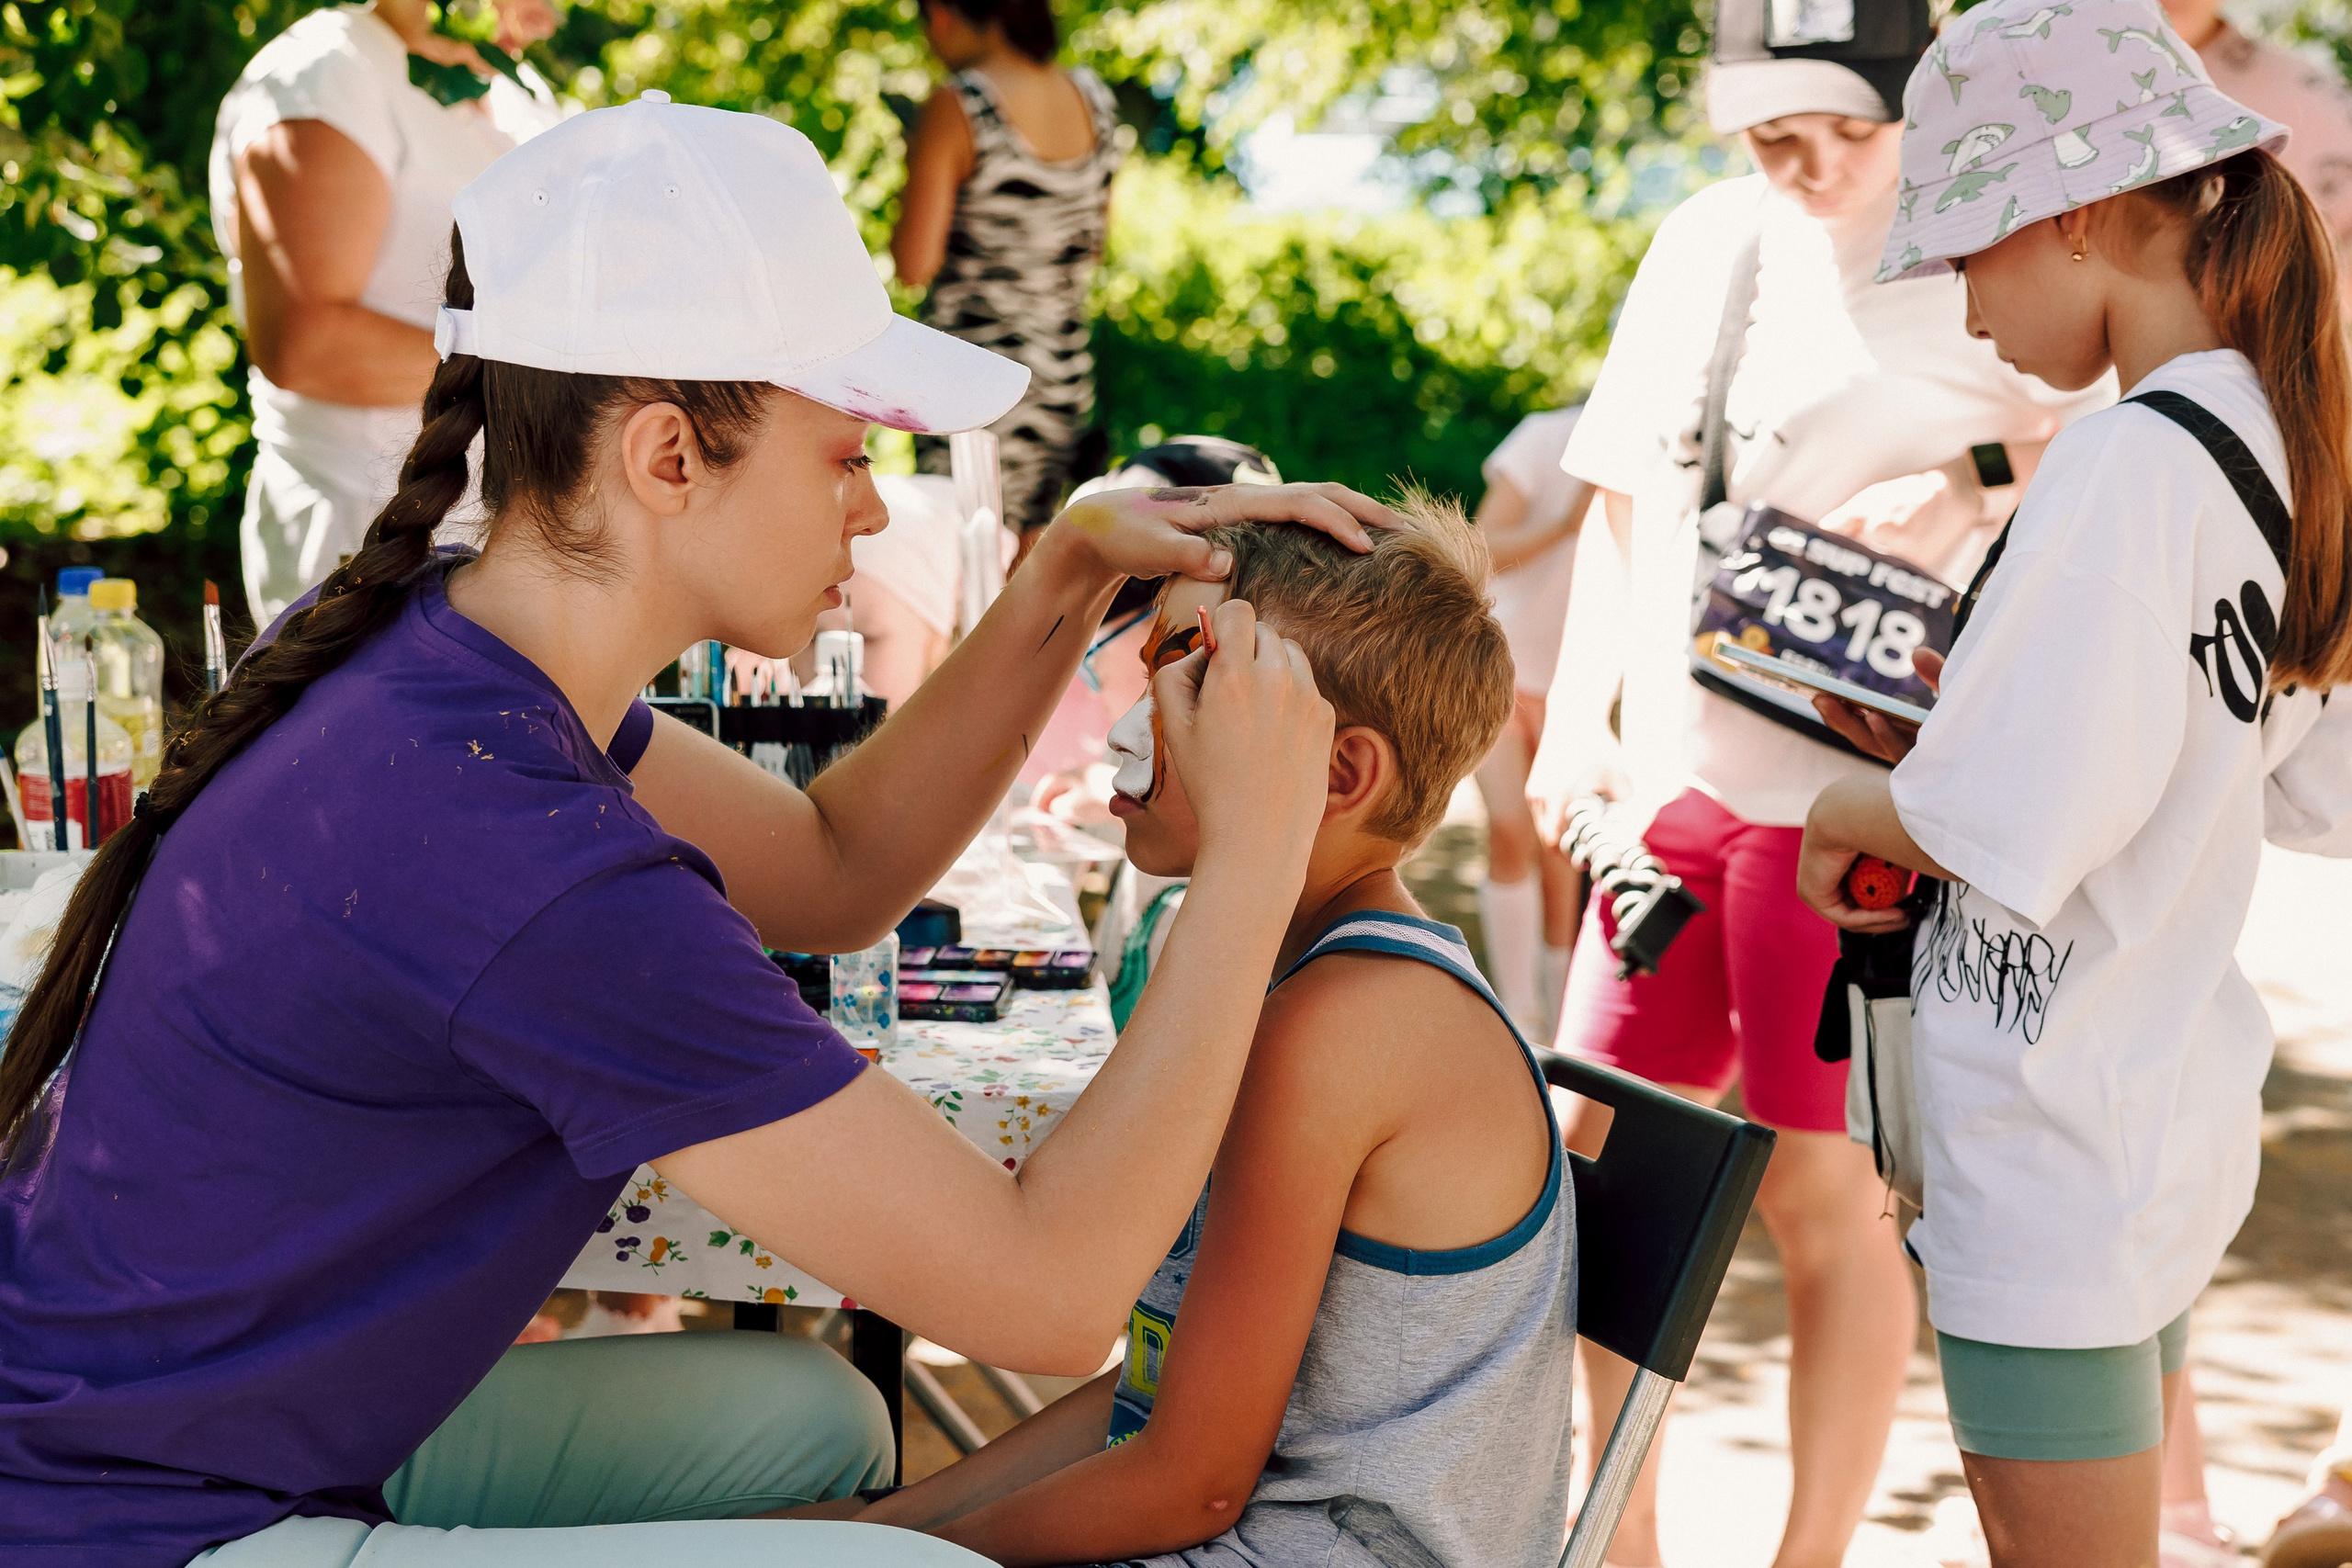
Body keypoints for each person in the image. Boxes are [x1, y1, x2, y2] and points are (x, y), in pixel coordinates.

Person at [0, 97, 1408, 1565]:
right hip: (140, 1524)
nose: (872, 511)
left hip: (136, 1423)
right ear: (670, 455)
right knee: (910, 1562)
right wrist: (1258, 850)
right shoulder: (531, 863)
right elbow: (1050, 1294)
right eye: (846, 455)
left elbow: (833, 870)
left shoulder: (433, 652)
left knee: (822, 1420)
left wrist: (1057, 580)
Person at [1523, 2, 2105, 1562]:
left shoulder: (1997, 258)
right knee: (1611, 1171)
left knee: (1825, 1201)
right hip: (1677, 794)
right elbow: (1625, 495)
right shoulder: (1714, 243)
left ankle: (1813, 1552)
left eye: (1849, 126)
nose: (1810, 162)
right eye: (1774, 128)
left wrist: (1977, 476)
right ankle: (1621, 1527)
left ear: (1920, 101)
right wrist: (1582, 724)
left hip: (1859, 819)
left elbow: (2129, 447)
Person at [1798, 3, 2352, 1563]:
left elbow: (2006, 818)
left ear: (2094, 214)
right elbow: (2292, 785)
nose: (1963, 304)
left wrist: (1843, 811)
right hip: (2152, 1110)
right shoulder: (2272, 441)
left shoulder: (2126, 462)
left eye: (1973, 250)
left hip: (2046, 1143)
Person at [844, 504, 1572, 1566]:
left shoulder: (1340, 1027)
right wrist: (894, 1529)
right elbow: (1157, 1392)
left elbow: (1190, 1484)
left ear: (1337, 775)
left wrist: (905, 1558)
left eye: (1196, 682)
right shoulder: (1301, 977)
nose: (1130, 727)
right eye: (1147, 674)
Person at [209, 0, 561, 623]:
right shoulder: (324, 74)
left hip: (519, 548)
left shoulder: (513, 90)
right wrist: (566, 364)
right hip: (375, 550)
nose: (548, 17)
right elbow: (309, 343)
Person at [892, 0, 1122, 537]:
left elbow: (913, 264)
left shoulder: (962, 104)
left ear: (944, 15)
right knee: (1038, 579)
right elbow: (1095, 246)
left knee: (964, 576)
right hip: (1063, 375)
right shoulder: (1095, 100)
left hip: (973, 377)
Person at [1472, 408, 1592, 1035]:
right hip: (1503, 667)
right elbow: (1481, 543)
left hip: (1581, 682)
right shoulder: (1547, 435)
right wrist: (1562, 525)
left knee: (1563, 854)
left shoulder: (1668, 445)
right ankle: (1516, 1011)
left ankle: (1564, 1024)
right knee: (1511, 829)